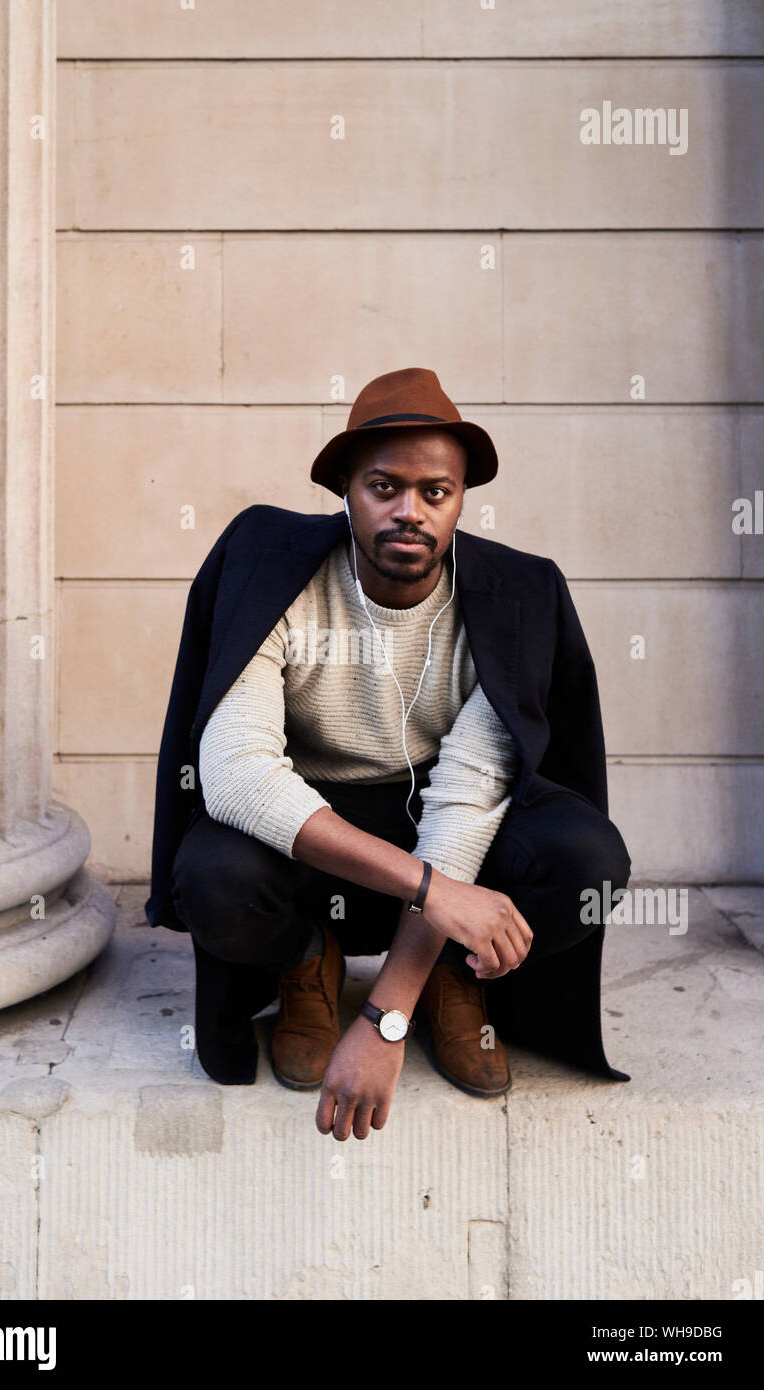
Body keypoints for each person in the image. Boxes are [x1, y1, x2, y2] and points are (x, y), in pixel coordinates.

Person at [147, 367, 632, 1141]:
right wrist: (432, 893)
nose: (409, 511)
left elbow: (465, 801)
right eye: (383, 486)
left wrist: (387, 1014)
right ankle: (308, 959)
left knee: (584, 864)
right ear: (344, 486)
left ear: (462, 496)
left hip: (442, 824)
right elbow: (235, 774)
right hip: (312, 837)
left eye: (434, 492)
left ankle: (448, 977)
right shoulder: (273, 568)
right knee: (214, 878)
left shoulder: (515, 597)